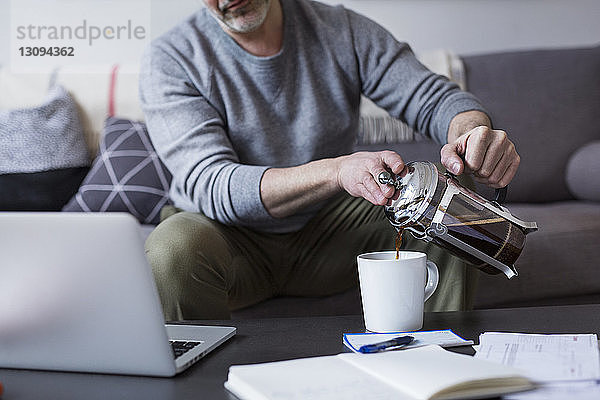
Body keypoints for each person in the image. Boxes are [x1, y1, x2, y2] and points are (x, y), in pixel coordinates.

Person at [139, 0, 520, 321]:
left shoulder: (340, 29)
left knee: (446, 194)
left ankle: (437, 369)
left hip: (331, 232)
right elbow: (214, 184)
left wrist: (471, 132)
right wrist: (337, 170)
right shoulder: (171, 58)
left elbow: (434, 98)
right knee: (172, 250)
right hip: (227, 238)